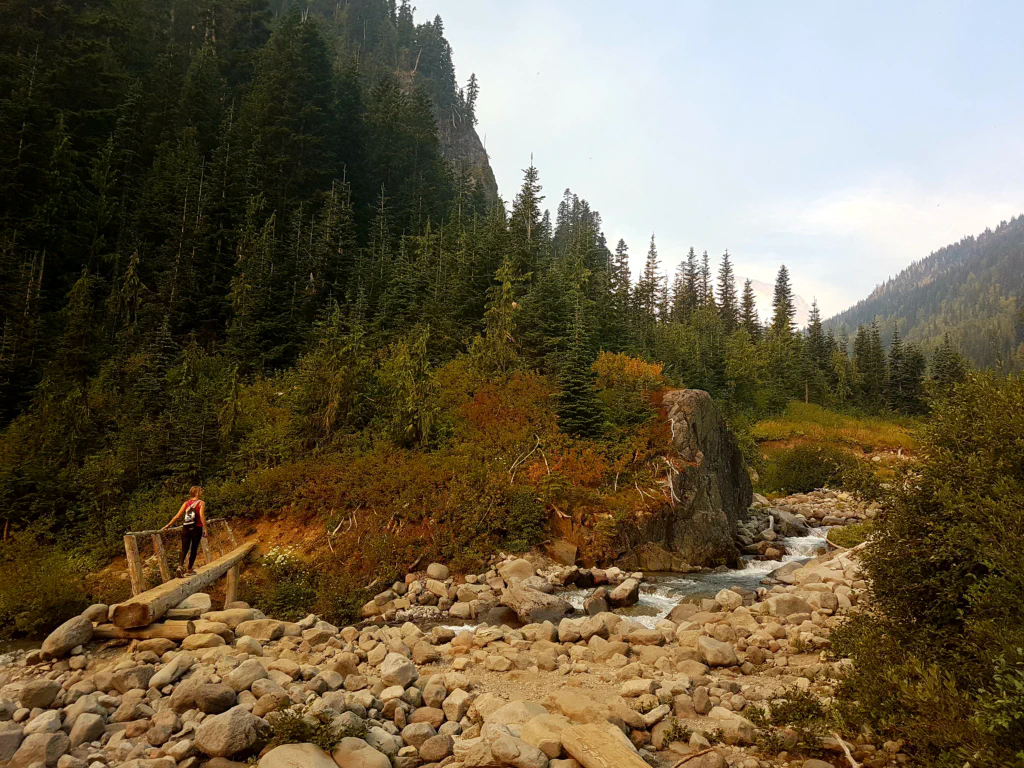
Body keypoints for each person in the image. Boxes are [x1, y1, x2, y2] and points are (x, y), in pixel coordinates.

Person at [163, 486, 207, 576]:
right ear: (197, 492)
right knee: (194, 548)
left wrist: (168, 525)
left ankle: (180, 566)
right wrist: (205, 528)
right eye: (201, 491)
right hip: (196, 527)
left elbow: (177, 516)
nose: (202, 492)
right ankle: (189, 569)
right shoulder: (201, 503)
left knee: (184, 548)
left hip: (186, 527)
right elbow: (202, 515)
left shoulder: (186, 503)